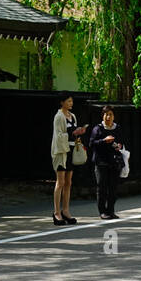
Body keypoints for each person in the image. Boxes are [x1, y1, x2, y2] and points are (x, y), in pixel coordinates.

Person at [51, 92, 88, 224]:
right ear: (62, 102)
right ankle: (56, 212)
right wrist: (73, 133)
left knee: (68, 182)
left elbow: (73, 135)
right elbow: (58, 136)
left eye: (72, 101)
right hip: (61, 152)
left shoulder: (72, 116)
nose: (71, 103)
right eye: (68, 101)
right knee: (60, 182)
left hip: (71, 150)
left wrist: (79, 133)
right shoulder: (58, 116)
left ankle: (65, 210)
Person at [89, 105, 125, 220]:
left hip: (114, 162)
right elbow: (91, 144)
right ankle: (102, 211)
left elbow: (122, 142)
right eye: (106, 114)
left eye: (110, 114)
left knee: (113, 188)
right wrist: (104, 141)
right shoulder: (98, 128)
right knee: (102, 187)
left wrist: (119, 146)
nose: (108, 117)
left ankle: (111, 210)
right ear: (103, 116)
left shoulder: (118, 128)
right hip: (101, 162)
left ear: (114, 116)